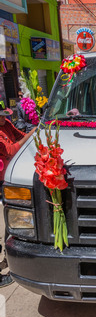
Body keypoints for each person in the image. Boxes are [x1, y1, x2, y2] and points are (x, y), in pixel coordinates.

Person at [0, 107, 37, 287]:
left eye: (4, 115)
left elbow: (19, 134)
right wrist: (32, 133)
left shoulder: (5, 124)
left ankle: (7, 255)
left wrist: (32, 134)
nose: (4, 118)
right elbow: (11, 150)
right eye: (1, 116)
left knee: (11, 218)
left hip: (7, 179)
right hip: (3, 178)